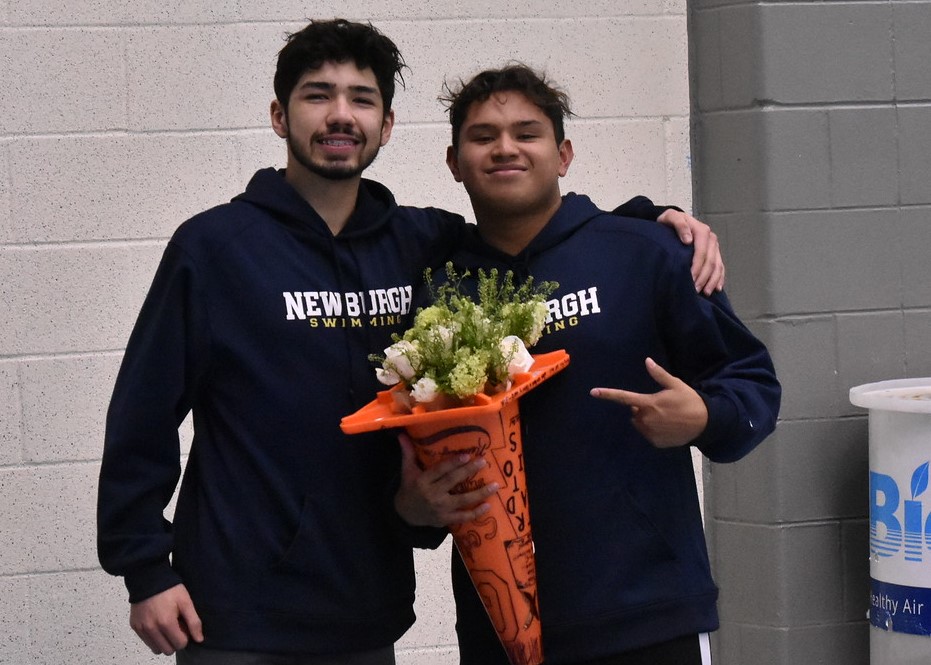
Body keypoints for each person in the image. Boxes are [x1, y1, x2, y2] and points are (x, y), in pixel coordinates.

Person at [96, 18, 724, 665]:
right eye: (318, 95)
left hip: (367, 612)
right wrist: (145, 566)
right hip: (236, 615)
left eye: (361, 99)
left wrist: (650, 221)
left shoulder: (422, 245)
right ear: (280, 115)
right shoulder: (214, 249)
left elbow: (535, 233)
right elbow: (142, 414)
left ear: (386, 125)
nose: (341, 114)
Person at [394, 65, 781, 665]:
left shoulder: (648, 254)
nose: (505, 148)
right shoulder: (438, 294)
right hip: (503, 623)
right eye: (483, 136)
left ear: (564, 153)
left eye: (527, 132)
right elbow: (416, 457)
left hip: (649, 616)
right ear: (453, 161)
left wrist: (704, 415)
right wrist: (417, 511)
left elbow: (753, 384)